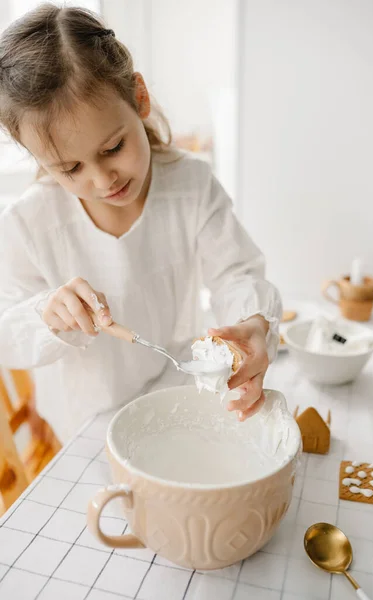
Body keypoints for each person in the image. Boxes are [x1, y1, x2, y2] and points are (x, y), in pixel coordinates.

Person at [0, 4, 282, 443]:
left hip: (173, 402)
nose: (101, 179)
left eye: (113, 147)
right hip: (83, 427)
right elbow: (7, 331)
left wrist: (252, 324)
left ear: (140, 98)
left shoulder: (190, 184)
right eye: (70, 168)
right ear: (39, 160)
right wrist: (47, 313)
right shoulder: (28, 223)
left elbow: (236, 273)